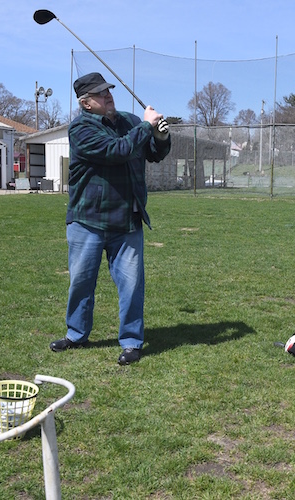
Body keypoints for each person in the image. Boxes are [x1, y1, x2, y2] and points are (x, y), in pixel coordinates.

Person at [49, 72, 172, 365]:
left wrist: (161, 135)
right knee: (81, 282)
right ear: (86, 103)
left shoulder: (129, 122)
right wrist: (146, 126)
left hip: (127, 220)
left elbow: (153, 153)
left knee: (131, 285)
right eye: (100, 94)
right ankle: (76, 334)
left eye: (108, 91)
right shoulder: (80, 129)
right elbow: (117, 150)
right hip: (87, 220)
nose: (108, 96)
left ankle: (131, 342)